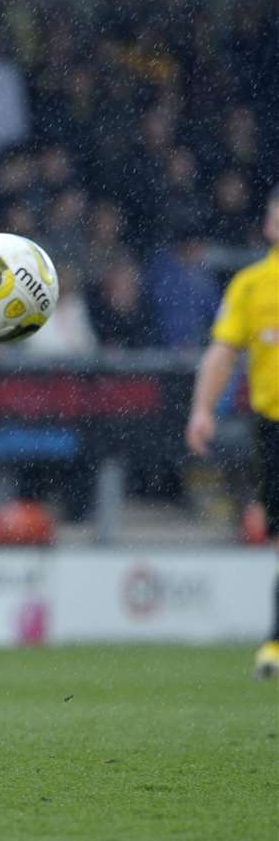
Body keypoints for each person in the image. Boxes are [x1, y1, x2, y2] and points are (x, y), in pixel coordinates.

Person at [185, 183, 279, 680]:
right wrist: (203, 408)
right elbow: (223, 351)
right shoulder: (251, 285)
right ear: (268, 224)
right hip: (274, 427)